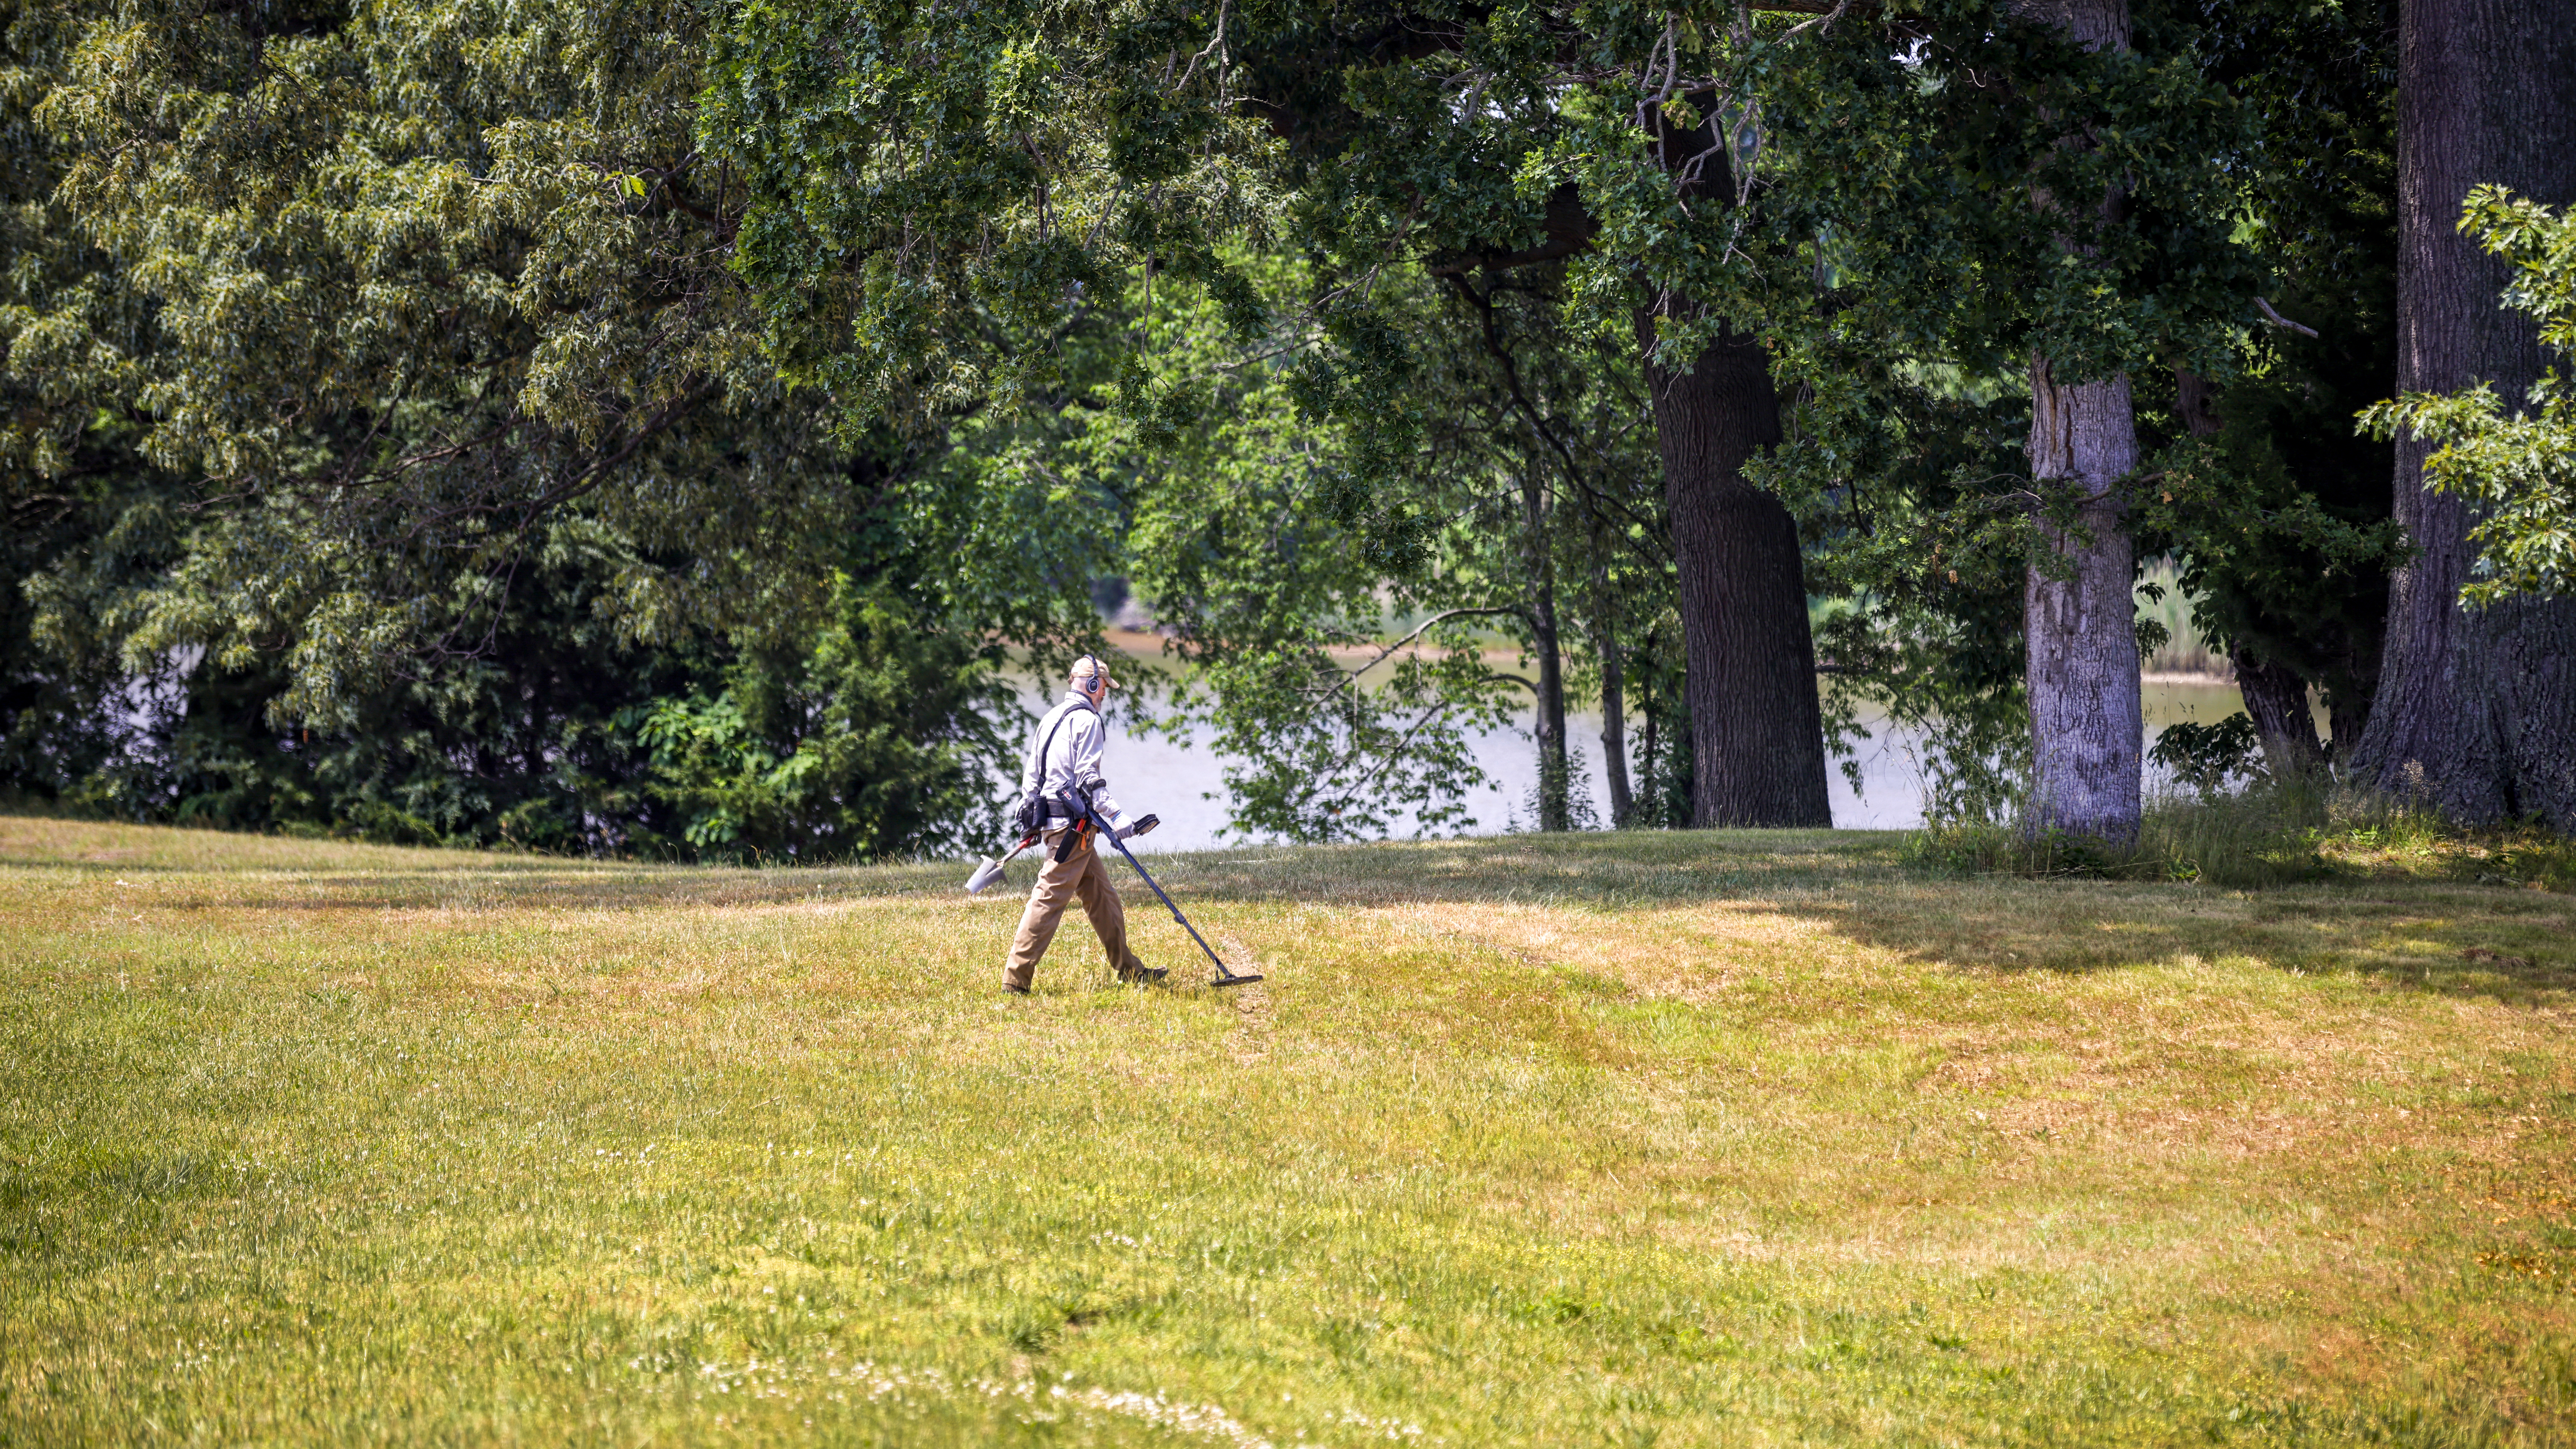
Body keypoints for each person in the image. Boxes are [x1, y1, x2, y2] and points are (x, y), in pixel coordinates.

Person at [1004, 655, 1165, 993]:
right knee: (1048, 898)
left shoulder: (1051, 717)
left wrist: (1031, 822)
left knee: (1102, 897)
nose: (1105, 694)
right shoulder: (1089, 721)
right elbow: (1088, 779)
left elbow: (1032, 776)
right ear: (1093, 684)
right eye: (1104, 687)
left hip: (1061, 824)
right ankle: (1015, 981)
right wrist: (1117, 817)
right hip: (1071, 830)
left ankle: (1130, 971)